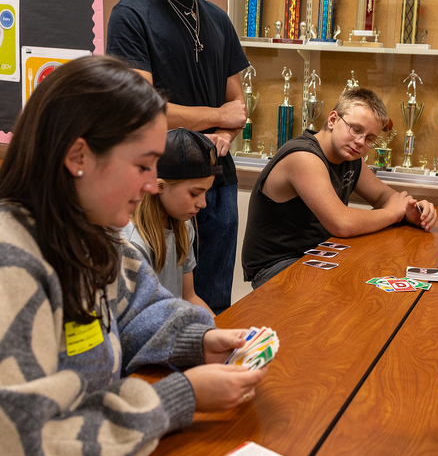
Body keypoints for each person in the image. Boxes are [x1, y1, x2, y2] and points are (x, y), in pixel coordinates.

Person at [0, 56, 268, 454]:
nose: (150, 185)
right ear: (78, 157)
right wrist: (179, 397)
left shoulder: (98, 238)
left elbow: (139, 310)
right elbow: (24, 438)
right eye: (143, 165)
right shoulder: (13, 265)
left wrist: (202, 340)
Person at [106, 0, 250, 314]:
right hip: (158, 187)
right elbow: (142, 109)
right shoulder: (131, 15)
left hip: (216, 182)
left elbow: (237, 103)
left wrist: (225, 128)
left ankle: (217, 379)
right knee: (158, 309)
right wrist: (216, 117)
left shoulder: (218, 19)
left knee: (214, 302)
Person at [242, 89, 438, 288]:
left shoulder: (350, 156)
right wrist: (392, 213)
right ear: (333, 120)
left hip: (321, 255)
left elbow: (383, 196)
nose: (361, 141)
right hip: (277, 266)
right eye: (355, 129)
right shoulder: (304, 156)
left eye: (370, 138)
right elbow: (341, 223)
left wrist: (411, 210)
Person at [123, 128, 220, 317]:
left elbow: (189, 297)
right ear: (160, 186)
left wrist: (222, 331)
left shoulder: (184, 225)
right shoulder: (133, 243)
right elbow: (143, 320)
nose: (203, 203)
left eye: (205, 193)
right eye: (194, 193)